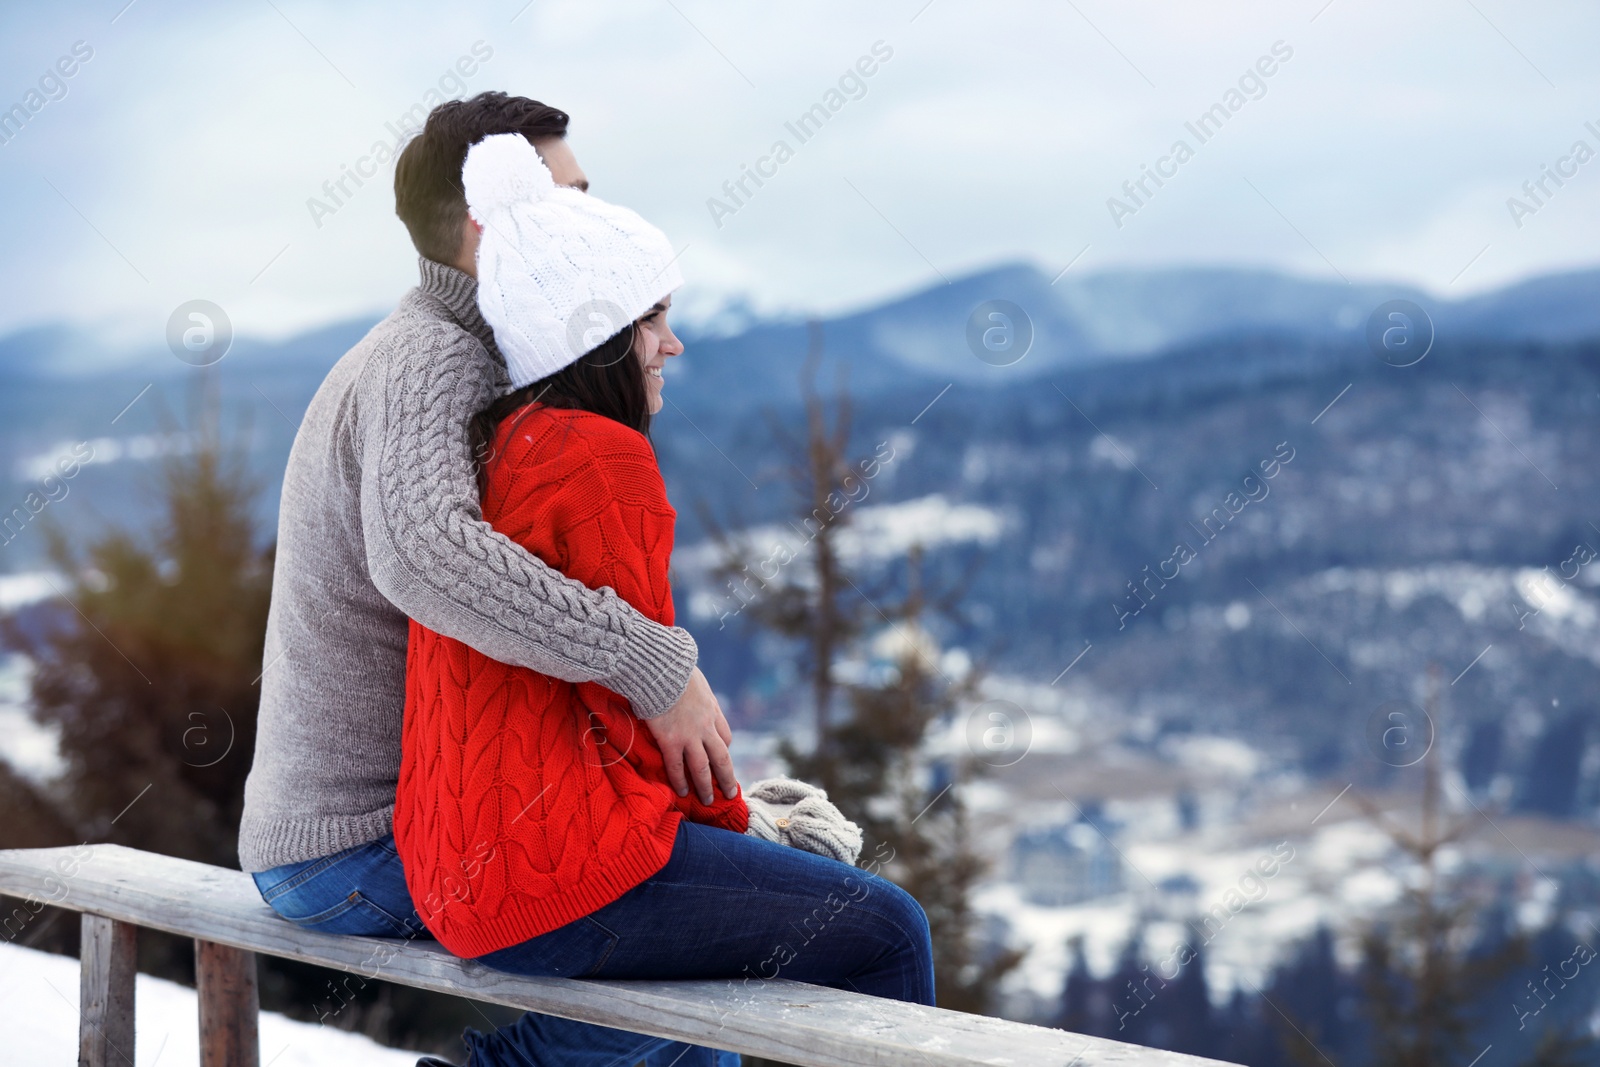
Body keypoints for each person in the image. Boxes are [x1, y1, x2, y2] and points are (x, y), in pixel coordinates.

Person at [394, 131, 933, 1067]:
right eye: (655, 320)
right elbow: (652, 722)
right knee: (888, 928)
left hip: (451, 870)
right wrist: (760, 830)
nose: (672, 343)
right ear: (600, 334)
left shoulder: (500, 446)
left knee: (711, 1010)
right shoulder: (605, 461)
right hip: (548, 880)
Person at [237, 94, 732, 1062]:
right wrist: (653, 665)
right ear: (483, 223)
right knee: (712, 951)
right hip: (358, 844)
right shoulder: (438, 354)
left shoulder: (462, 347)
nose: (590, 218)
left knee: (715, 957)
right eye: (568, 196)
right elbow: (425, 553)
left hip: (404, 824)